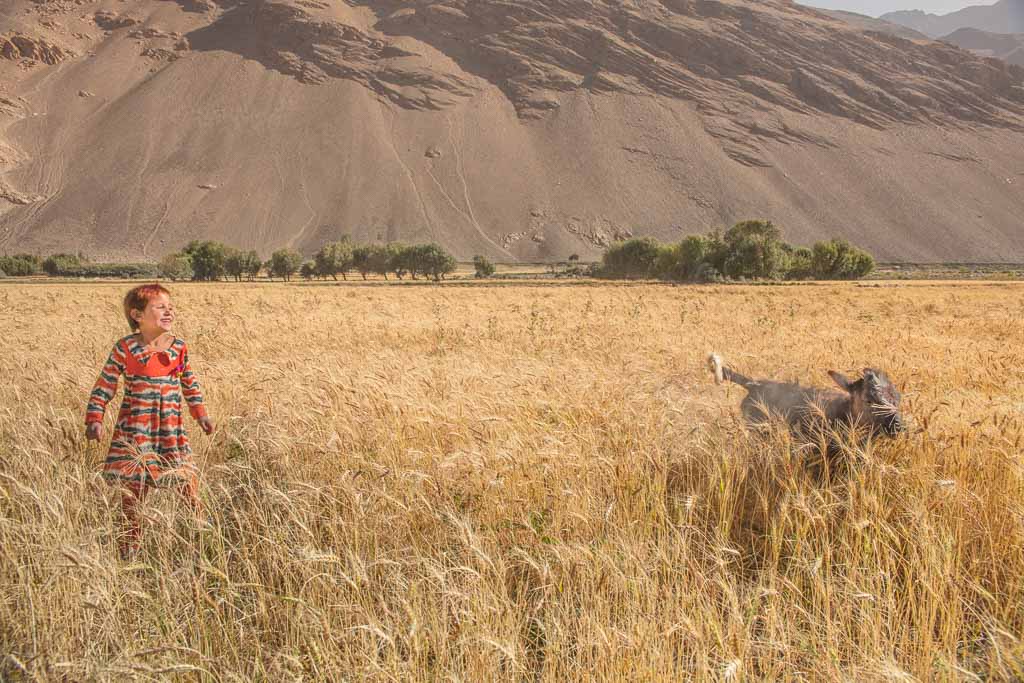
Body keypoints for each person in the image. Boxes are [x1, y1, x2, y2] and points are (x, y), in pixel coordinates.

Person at [85, 283, 214, 557]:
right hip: (137, 432)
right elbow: (105, 384)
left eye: (170, 306)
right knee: (133, 493)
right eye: (160, 307)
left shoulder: (178, 348)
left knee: (187, 484)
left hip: (170, 430)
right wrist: (95, 416)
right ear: (137, 315)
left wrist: (200, 414)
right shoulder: (125, 348)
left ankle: (203, 539)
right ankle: (129, 548)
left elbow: (189, 383)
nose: (169, 311)